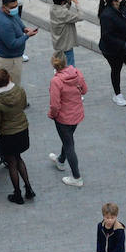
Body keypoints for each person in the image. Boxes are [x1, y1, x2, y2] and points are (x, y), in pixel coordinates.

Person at [0, 67, 35, 204]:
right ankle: (28, 188)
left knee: (12, 163)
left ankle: (18, 194)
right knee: (19, 158)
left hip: (8, 134)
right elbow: (23, 106)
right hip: (22, 129)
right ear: (9, 78)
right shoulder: (20, 91)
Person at [48, 53, 88, 187]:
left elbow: (55, 104)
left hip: (63, 118)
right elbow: (85, 90)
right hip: (76, 114)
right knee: (68, 139)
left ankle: (77, 177)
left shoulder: (56, 81)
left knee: (69, 144)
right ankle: (60, 160)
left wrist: (52, 114)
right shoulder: (76, 73)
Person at [98, 0, 126, 106]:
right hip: (112, 50)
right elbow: (106, 36)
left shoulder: (122, 7)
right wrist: (123, 44)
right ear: (114, 1)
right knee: (116, 70)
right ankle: (117, 95)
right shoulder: (106, 15)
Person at [0, 0, 37, 86]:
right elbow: (12, 44)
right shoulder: (5, 23)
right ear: (4, 7)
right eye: (12, 7)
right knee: (12, 85)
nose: (15, 9)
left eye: (16, 6)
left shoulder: (8, 12)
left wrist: (24, 28)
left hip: (12, 57)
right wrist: (27, 36)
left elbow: (17, 19)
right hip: (9, 60)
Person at [49, 0, 81, 66]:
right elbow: (80, 16)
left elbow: (63, 12)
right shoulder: (64, 13)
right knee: (70, 65)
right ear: (63, 1)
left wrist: (68, 3)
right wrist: (76, 3)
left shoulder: (52, 8)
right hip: (66, 44)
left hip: (58, 43)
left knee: (60, 64)